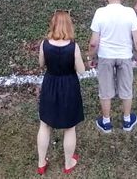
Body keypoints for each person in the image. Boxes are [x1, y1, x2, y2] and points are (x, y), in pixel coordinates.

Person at [88, 0, 137, 133]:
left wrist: (91, 58)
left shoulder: (100, 12)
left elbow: (94, 42)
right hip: (125, 56)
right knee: (126, 88)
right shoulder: (130, 13)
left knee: (105, 89)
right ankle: (127, 120)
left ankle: (106, 122)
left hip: (105, 56)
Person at [36, 11, 86, 175]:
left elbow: (41, 64)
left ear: (53, 25)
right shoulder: (74, 46)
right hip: (69, 86)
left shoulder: (45, 44)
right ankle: (68, 162)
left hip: (50, 84)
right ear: (69, 26)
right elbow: (81, 70)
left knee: (45, 124)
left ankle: (41, 162)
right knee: (69, 127)